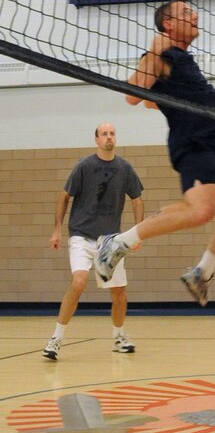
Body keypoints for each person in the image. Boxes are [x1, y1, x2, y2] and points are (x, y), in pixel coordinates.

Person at [93, 0, 215, 306]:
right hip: (194, 144)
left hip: (211, 143)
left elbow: (151, 101)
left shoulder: (182, 58)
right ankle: (117, 242)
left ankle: (203, 271)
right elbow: (134, 96)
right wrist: (155, 51)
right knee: (200, 212)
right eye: (186, 13)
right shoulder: (163, 52)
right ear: (168, 24)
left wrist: (171, 99)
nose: (195, 15)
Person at [43, 123, 144, 361]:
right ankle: (56, 339)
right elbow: (64, 196)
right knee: (78, 282)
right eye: (104, 134)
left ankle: (119, 337)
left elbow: (137, 199)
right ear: (96, 139)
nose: (109, 137)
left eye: (112, 134)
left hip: (110, 241)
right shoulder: (84, 166)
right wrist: (57, 230)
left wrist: (137, 233)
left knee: (119, 294)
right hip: (81, 235)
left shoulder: (124, 168)